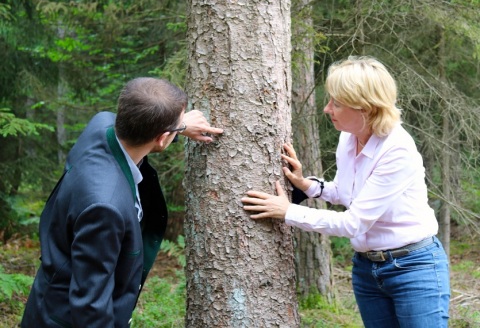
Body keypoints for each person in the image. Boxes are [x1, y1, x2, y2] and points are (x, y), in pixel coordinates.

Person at [241, 56, 450, 327]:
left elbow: (354, 223)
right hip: (367, 269)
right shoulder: (349, 136)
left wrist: (288, 212)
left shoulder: (398, 150)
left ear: (365, 108)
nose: (327, 109)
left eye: (336, 103)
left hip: (413, 268)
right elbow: (345, 192)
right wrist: (308, 185)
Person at [21, 77, 223, 327]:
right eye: (178, 127)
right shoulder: (105, 208)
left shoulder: (102, 124)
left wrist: (178, 129)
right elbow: (91, 306)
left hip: (48, 298)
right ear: (162, 138)